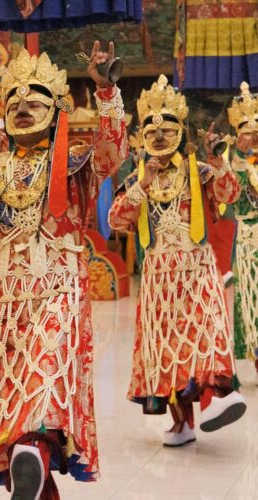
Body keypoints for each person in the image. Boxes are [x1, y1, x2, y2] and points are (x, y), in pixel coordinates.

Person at [0, 42, 128, 499]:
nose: (23, 108)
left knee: (47, 370)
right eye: (14, 102)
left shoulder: (74, 163)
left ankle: (32, 448)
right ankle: (29, 467)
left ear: (56, 111)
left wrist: (107, 91)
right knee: (10, 388)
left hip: (58, 286)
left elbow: (112, 154)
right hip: (6, 297)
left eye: (35, 102)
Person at [109, 75, 246, 447]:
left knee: (205, 332)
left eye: (167, 129)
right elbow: (116, 220)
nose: (158, 137)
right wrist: (143, 184)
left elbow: (229, 194)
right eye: (151, 131)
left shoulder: (198, 170)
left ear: (181, 132)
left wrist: (218, 159)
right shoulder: (136, 177)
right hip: (158, 278)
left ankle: (217, 397)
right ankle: (182, 422)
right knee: (165, 346)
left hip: (197, 269)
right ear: (141, 137)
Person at [228, 82, 258, 383]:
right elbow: (232, 193)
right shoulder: (235, 162)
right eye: (246, 131)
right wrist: (239, 153)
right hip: (249, 238)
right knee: (252, 298)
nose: (253, 136)